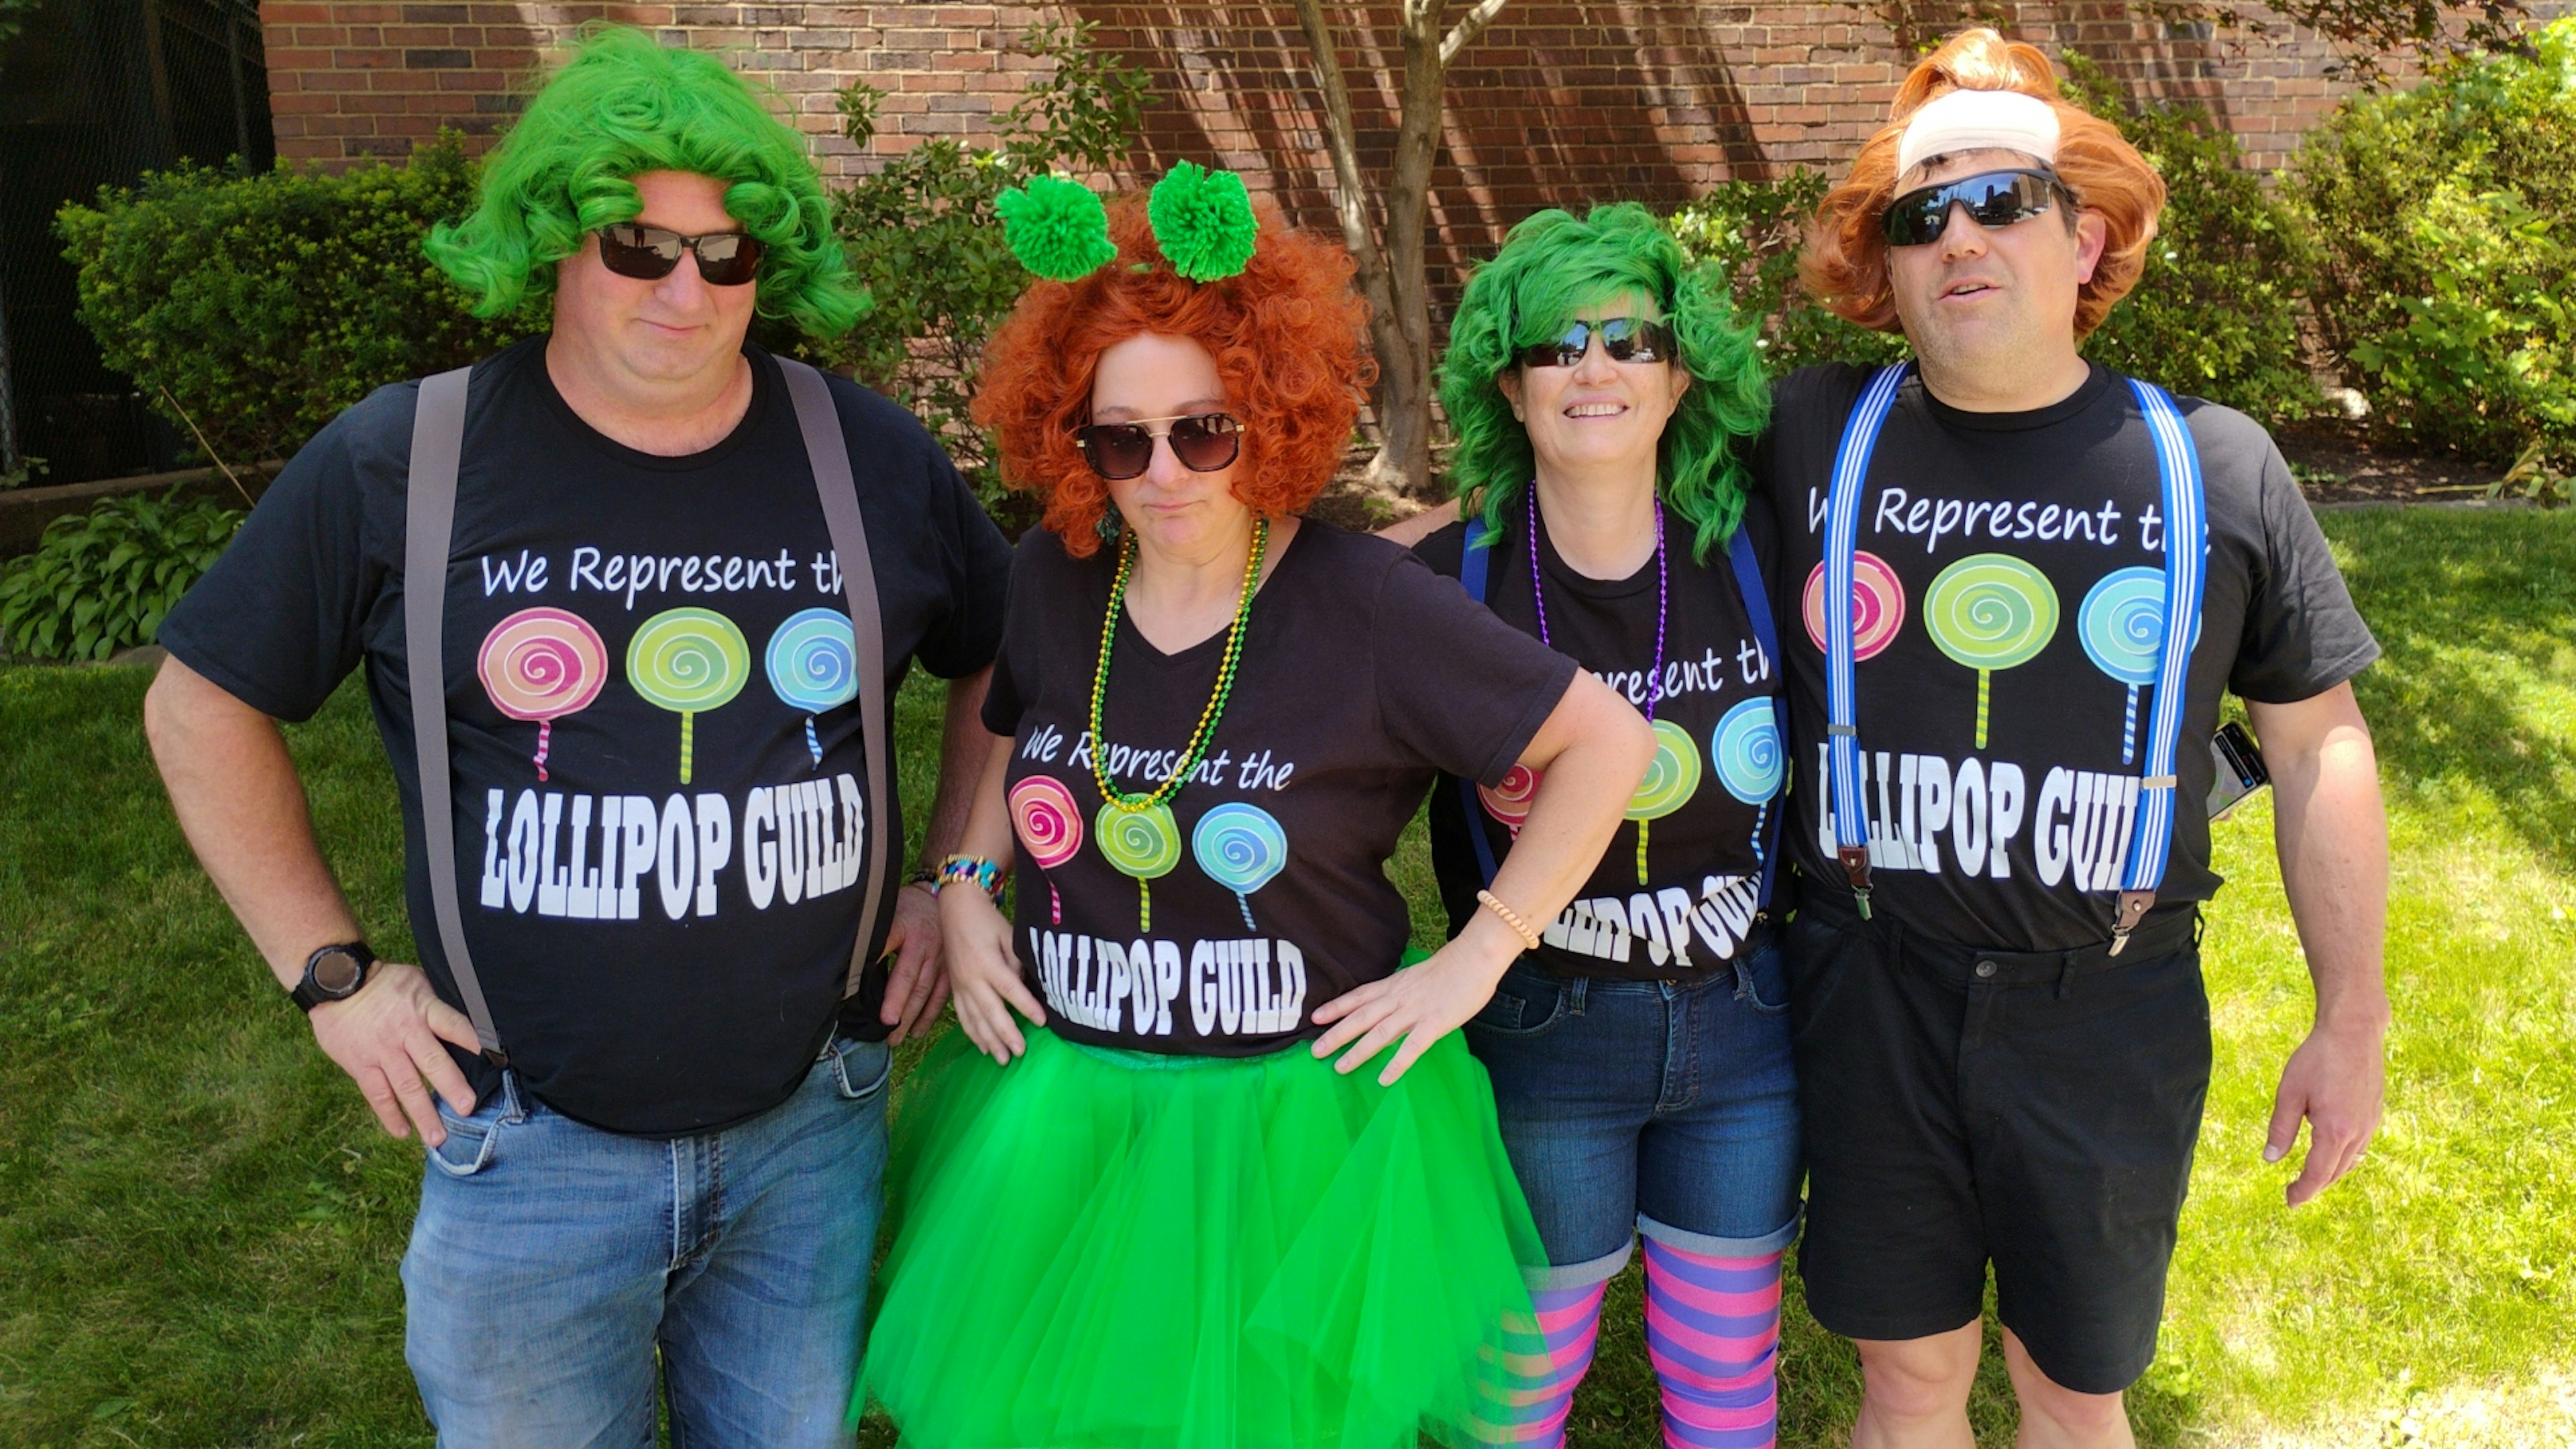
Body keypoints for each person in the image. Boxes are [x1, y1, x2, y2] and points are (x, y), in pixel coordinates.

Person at [142, 29, 1010, 1446]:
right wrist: (331, 976)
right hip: (526, 1149)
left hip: (813, 1128)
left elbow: (1002, 662)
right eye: (638, 246)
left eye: (727, 254)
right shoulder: (404, 459)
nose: (686, 289)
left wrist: (951, 879)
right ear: (553, 241)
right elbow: (200, 701)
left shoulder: (864, 453)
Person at [854, 166, 1656, 1449]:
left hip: (1294, 1131)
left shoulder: (1369, 606)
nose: (1163, 472)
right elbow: (1013, 728)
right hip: (1070, 1112)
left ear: (1269, 413)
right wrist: (963, 886)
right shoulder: (1056, 576)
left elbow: (1607, 742)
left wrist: (1479, 957)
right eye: (1121, 439)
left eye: (1204, 430)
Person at [1760, 30, 2390, 1448]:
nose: (1958, 237)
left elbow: (2318, 746)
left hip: (2107, 1010)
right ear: (1888, 265)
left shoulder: (2212, 463)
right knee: (1906, 1380)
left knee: (2071, 1391)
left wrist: (2351, 1016)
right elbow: (1583, 471)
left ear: (2085, 235)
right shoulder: (1808, 431)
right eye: (1920, 217)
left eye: (2001, 201)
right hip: (1868, 986)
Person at [1407, 203, 1798, 1449]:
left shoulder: (1755, 552)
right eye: (1556, 345)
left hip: (1745, 1021)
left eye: (1631, 341)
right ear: (1509, 386)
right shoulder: (1444, 585)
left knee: (1725, 1371)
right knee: (1520, 1380)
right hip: (1543, 1031)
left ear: (1679, 379)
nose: (1595, 368)